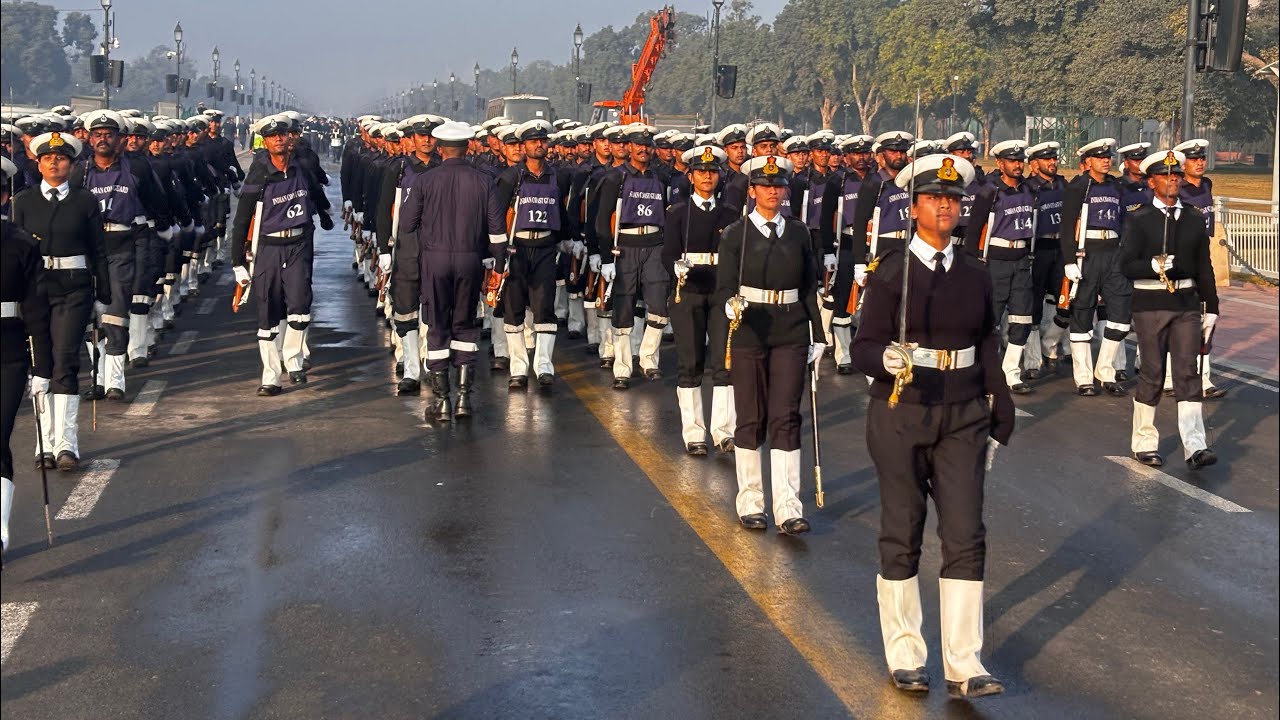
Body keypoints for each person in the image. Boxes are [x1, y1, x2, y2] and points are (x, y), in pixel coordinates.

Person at [851, 152, 1013, 699]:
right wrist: (883, 361)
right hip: (903, 409)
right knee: (904, 529)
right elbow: (864, 343)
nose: (945, 206)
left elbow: (987, 338)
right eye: (933, 198)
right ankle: (906, 653)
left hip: (964, 409)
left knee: (966, 532)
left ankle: (965, 661)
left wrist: (1000, 398)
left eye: (953, 199)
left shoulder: (975, 271)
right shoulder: (891, 272)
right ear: (913, 207)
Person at [714, 155, 825, 535]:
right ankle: (751, 499)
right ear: (753, 191)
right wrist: (729, 304)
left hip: (791, 329)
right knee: (751, 417)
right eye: (766, 186)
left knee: (786, 415)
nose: (774, 192)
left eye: (779, 186)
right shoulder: (735, 234)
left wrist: (819, 335)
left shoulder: (799, 233)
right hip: (749, 329)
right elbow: (725, 287)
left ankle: (788, 504)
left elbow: (810, 287)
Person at [10, 131, 111, 471]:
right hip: (36, 289)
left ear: (71, 164)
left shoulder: (84, 201)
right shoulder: (22, 202)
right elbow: (13, 252)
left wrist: (104, 295)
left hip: (74, 287)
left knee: (65, 359)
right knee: (41, 364)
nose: (55, 162)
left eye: (62, 158)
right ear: (38, 164)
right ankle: (44, 442)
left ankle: (66, 443)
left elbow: (98, 249)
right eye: (48, 158)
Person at [397, 121, 506, 422]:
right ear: (468, 147)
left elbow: (406, 224)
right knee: (465, 325)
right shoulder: (484, 181)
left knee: (438, 326)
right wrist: (498, 265)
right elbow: (498, 232)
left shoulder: (424, 181)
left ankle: (442, 400)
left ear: (441, 149)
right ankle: (464, 401)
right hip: (471, 259)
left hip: (435, 260)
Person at [1120, 150, 1218, 469]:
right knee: (1152, 373)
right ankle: (1145, 442)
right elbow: (1126, 266)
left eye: (1176, 175)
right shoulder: (1139, 218)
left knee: (1188, 373)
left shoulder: (1192, 217)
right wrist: (1153, 264)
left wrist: (1212, 307)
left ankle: (1195, 445)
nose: (1173, 180)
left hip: (1186, 305)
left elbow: (1204, 266)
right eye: (1165, 175)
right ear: (1152, 182)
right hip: (1150, 306)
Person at [230, 115, 333, 396]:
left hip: (298, 244)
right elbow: (242, 220)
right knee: (268, 312)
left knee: (300, 306)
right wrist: (237, 262)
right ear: (267, 140)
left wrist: (325, 213)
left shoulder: (301, 168)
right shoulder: (259, 173)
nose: (279, 139)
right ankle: (271, 376)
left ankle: (294, 360)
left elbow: (315, 192)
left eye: (283, 135)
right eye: (272, 136)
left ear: (290, 138)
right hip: (268, 248)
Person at [665, 145, 738, 455]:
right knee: (690, 363)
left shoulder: (731, 213)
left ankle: (724, 431)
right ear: (690, 176)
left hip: (720, 289)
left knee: (723, 362)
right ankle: (694, 433)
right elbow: (668, 251)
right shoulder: (678, 212)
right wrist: (675, 266)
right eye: (701, 171)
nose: (707, 176)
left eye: (712, 171)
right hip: (690, 289)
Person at [496, 119, 574, 389]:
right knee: (514, 309)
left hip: (545, 249)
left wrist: (567, 240)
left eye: (542, 141)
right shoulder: (510, 178)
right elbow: (497, 217)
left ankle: (544, 366)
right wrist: (496, 252)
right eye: (532, 141)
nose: (538, 145)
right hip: (516, 249)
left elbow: (562, 212)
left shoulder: (558, 176)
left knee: (545, 309)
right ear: (524, 145)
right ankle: (518, 367)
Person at [1, 156, 53, 556]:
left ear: (4, 196)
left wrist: (43, 366)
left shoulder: (21, 245)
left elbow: (37, 310)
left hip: (7, 353)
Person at [594, 124, 671, 389]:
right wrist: (604, 258)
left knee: (659, 304)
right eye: (639, 145)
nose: (644, 150)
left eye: (648, 146)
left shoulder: (661, 178)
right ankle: (623, 367)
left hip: (655, 245)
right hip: (625, 246)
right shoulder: (616, 178)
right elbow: (602, 220)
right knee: (624, 305)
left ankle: (649, 359)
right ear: (629, 147)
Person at [1059, 138, 1131, 397]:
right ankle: (1084, 377)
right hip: (1086, 254)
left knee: (1121, 316)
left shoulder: (1115, 186)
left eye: (1108, 156)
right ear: (1087, 161)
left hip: (1113, 253)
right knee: (1082, 314)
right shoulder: (1079, 186)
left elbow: (1123, 220)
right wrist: (1069, 261)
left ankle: (1105, 370)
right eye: (1099, 157)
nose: (1105, 160)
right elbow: (1067, 227)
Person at [965, 140, 1037, 394]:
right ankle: (985, 369)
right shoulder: (990, 190)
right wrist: (972, 262)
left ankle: (1011, 372)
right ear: (1000, 163)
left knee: (1022, 317)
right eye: (1012, 161)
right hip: (995, 259)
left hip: (1021, 259)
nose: (1018, 165)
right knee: (991, 318)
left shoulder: (1029, 189)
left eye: (1020, 161)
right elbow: (974, 228)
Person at [1171, 138, 1225, 399]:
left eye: (1202, 158)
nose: (1200, 162)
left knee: (1208, 315)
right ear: (1183, 164)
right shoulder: (1176, 190)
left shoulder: (1207, 185)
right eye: (1194, 159)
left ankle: (1203, 378)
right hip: (1180, 258)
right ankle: (1171, 377)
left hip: (1203, 257)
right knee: (1175, 316)